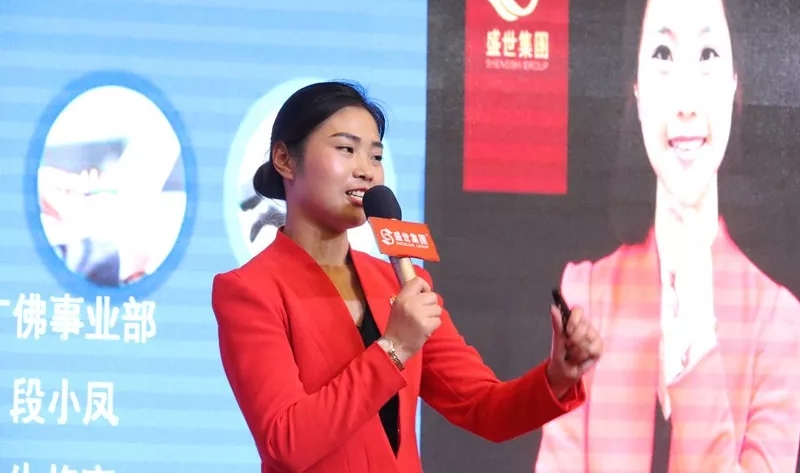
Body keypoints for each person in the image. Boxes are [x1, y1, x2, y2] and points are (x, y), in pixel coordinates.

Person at [211, 80, 603, 473]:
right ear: (285, 160)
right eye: (346, 149)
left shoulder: (400, 283)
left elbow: (484, 408)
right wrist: (394, 347)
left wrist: (557, 375)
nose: (365, 170)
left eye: (376, 155)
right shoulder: (250, 291)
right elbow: (286, 442)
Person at [535, 0, 800, 472]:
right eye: (661, 54)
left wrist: (696, 346)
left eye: (707, 55)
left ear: (735, 82)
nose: (685, 101)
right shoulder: (586, 294)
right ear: (635, 85)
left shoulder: (778, 323)